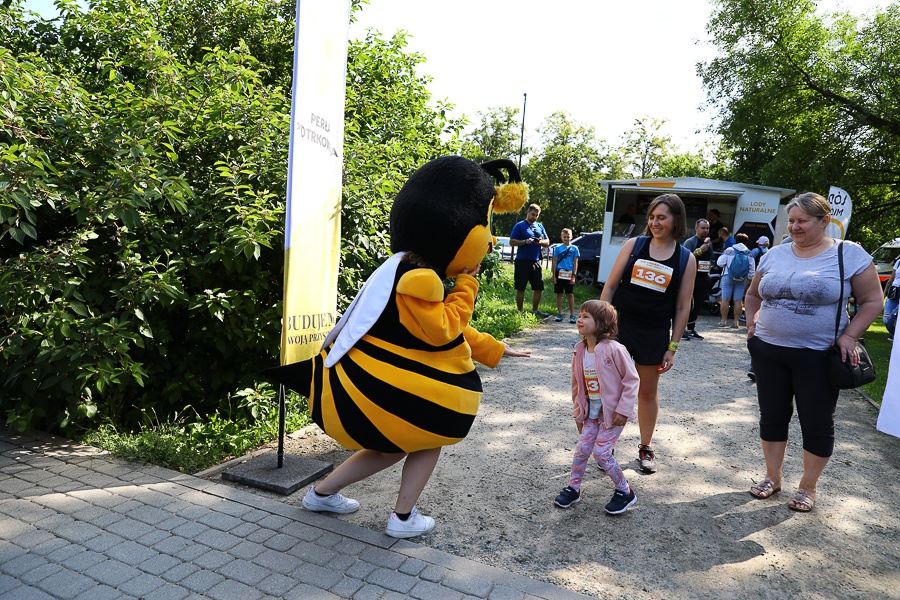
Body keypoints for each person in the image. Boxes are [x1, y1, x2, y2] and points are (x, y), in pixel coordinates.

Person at [264, 156, 532, 538]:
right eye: (486, 224)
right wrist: (468, 286)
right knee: (432, 433)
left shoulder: (399, 268)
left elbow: (440, 334)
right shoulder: (421, 280)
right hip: (383, 394)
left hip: (378, 393)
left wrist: (494, 349)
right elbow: (444, 330)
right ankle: (403, 519)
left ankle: (322, 495)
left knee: (391, 447)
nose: (489, 241)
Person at [744, 192, 882, 512]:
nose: (794, 227)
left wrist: (850, 335)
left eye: (802, 221)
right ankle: (772, 477)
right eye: (791, 221)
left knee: (816, 422)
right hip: (768, 351)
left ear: (824, 221)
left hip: (817, 355)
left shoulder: (849, 254)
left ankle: (808, 487)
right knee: (773, 416)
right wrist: (752, 325)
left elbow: (874, 301)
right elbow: (753, 295)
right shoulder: (775, 255)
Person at [600, 193, 696, 474]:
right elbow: (610, 286)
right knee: (611, 388)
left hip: (654, 333)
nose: (655, 222)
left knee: (647, 392)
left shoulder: (685, 258)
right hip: (619, 328)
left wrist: (673, 346)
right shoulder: (634, 245)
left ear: (676, 220)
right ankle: (607, 443)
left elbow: (682, 307)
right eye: (652, 217)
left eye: (662, 217)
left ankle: (646, 446)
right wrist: (602, 327)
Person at [553, 300, 640, 514]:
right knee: (582, 449)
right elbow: (577, 385)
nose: (579, 320)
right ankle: (574, 489)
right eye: (580, 316)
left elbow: (632, 380)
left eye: (585, 316)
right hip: (591, 414)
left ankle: (625, 491)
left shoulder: (614, 349)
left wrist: (624, 410)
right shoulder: (580, 351)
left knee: (601, 453)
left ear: (601, 323)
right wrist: (578, 413)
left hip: (613, 415)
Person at [510, 203, 550, 317]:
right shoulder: (519, 226)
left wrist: (540, 242)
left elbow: (547, 241)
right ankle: (520, 312)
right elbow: (511, 241)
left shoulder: (540, 226)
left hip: (536, 260)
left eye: (536, 216)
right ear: (527, 212)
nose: (534, 217)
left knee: (539, 287)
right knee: (521, 287)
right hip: (522, 260)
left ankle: (535, 310)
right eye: (533, 214)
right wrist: (524, 242)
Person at [682, 218, 713, 340]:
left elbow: (708, 261)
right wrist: (699, 251)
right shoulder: (690, 242)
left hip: (703, 277)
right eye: (703, 228)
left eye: (707, 228)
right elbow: (684, 258)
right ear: (696, 228)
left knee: (698, 304)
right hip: (691, 277)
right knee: (687, 304)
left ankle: (691, 329)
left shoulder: (709, 243)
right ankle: (682, 330)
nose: (705, 230)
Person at [717, 232, 755, 328]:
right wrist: (749, 280)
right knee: (738, 301)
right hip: (742, 279)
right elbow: (752, 270)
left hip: (728, 276)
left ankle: (723, 321)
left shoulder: (730, 250)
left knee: (725, 299)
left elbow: (720, 263)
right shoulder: (749, 253)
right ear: (746, 242)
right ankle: (736, 322)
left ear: (735, 240)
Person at [552, 228, 580, 323]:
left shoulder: (574, 248)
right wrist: (554, 276)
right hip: (559, 273)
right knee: (559, 294)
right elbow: (555, 261)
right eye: (565, 237)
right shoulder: (558, 248)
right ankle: (560, 313)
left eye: (568, 237)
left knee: (570, 294)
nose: (566, 239)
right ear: (561, 237)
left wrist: (574, 276)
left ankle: (572, 315)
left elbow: (576, 262)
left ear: (571, 237)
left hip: (569, 273)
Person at [883, 255, 900, 342]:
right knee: (887, 319)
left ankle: (897, 342)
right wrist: (884, 294)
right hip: (895, 292)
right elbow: (891, 280)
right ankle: (895, 335)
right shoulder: (899, 262)